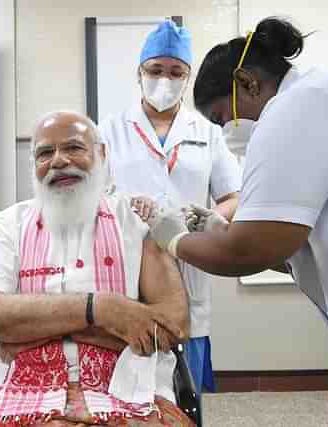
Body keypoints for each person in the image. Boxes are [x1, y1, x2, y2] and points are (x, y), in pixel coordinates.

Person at [146, 16, 328, 427]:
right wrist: (219, 231)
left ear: (247, 82)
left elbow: (250, 250)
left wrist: (174, 239)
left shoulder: (300, 106)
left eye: (220, 117)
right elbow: (293, 250)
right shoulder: (327, 99)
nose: (226, 132)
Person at [0, 111, 194, 427]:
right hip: (17, 384)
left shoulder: (138, 221)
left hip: (128, 386)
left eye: (73, 148)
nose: (58, 161)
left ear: (101, 154)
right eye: (45, 153)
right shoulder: (10, 226)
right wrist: (103, 310)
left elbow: (171, 326)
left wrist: (33, 330)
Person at [99, 20, 242, 395]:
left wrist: (206, 218)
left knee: (185, 388)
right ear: (139, 73)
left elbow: (234, 197)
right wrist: (124, 207)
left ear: (188, 76)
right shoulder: (110, 131)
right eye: (155, 70)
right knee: (129, 389)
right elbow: (93, 200)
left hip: (190, 263)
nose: (165, 79)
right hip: (128, 268)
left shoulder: (208, 131)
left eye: (175, 72)